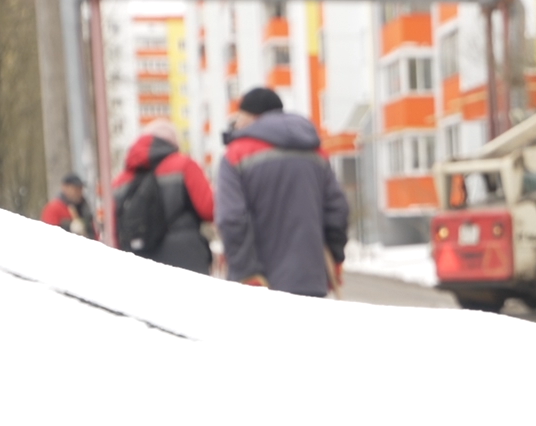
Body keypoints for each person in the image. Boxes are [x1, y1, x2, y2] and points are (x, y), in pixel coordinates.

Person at [217, 87, 348, 296]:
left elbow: (231, 218)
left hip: (259, 286)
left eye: (239, 117)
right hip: (310, 281)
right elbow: (337, 210)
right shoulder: (315, 151)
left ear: (251, 117)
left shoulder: (236, 155)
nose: (237, 124)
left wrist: (246, 272)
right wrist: (336, 258)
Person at [111, 118, 215, 274]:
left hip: (138, 266)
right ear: (173, 143)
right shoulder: (184, 165)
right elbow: (209, 208)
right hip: (187, 260)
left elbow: (113, 230)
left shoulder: (120, 181)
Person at [40, 174, 96, 238]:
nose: (78, 192)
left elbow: (92, 231)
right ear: (65, 187)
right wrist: (70, 228)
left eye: (80, 189)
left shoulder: (84, 206)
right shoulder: (54, 208)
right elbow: (49, 235)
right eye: (75, 189)